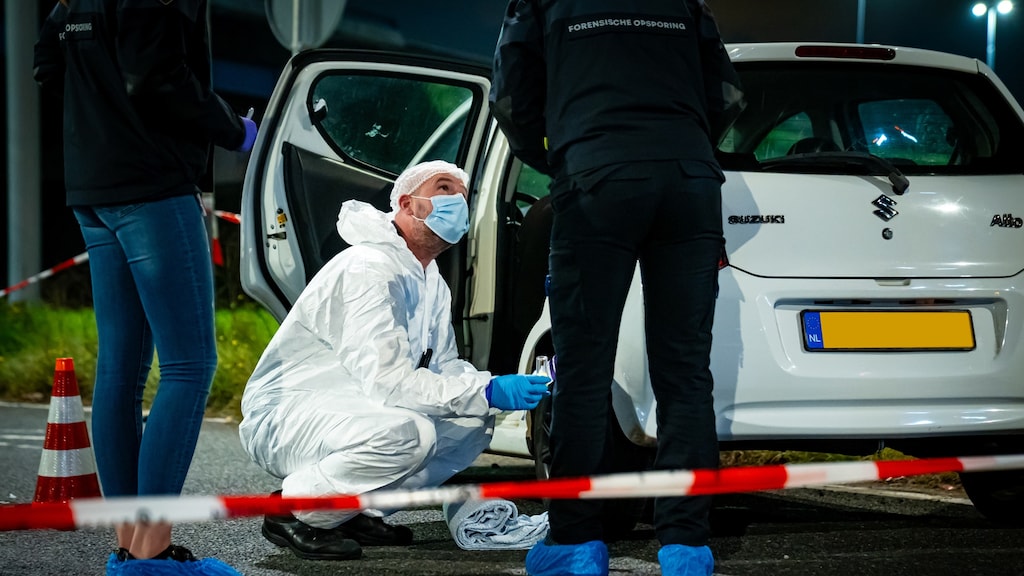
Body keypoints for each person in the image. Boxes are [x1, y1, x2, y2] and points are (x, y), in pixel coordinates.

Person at [490, 1, 745, 575]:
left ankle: (575, 543)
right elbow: (727, 95)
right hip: (690, 182)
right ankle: (686, 548)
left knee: (582, 373)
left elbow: (509, 96)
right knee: (684, 372)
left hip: (596, 177)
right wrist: (683, 144)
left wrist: (558, 156)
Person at [33, 1, 257, 574]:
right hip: (151, 187)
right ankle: (150, 553)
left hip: (92, 187)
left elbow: (48, 66)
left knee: (120, 370)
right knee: (189, 365)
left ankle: (130, 550)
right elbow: (157, 80)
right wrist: (236, 129)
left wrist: (102, 123)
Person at [238, 160, 551, 561]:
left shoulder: (428, 278)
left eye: (463, 194)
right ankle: (296, 509)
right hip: (287, 413)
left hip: (348, 406)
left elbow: (443, 366)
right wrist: (484, 389)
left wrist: (488, 388)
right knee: (410, 432)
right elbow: (388, 380)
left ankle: (348, 511)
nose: (458, 201)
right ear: (406, 203)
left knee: (471, 421)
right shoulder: (368, 268)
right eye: (443, 188)